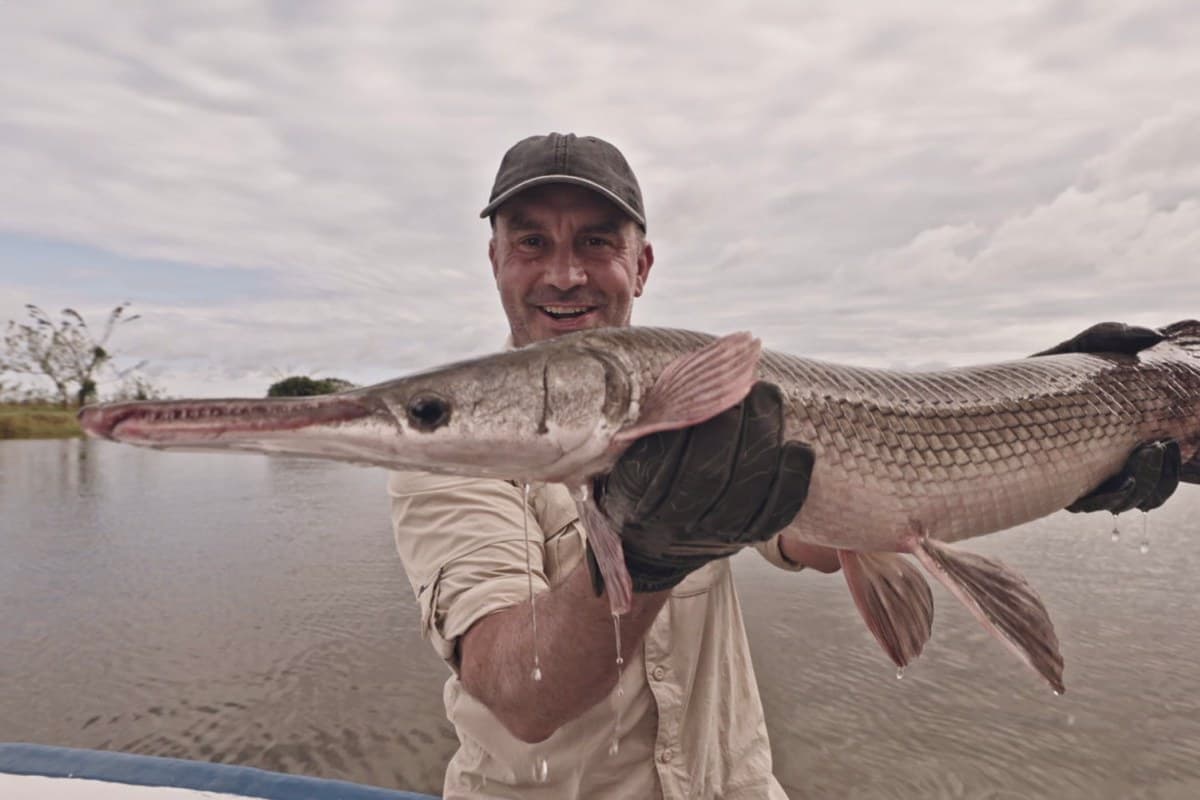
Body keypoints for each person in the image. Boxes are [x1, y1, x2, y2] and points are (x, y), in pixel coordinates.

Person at [389, 133, 1182, 799]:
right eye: (532, 240)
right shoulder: (447, 456)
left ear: (642, 264)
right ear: (495, 258)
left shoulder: (706, 402)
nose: (564, 272)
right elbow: (521, 695)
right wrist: (642, 558)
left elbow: (806, 536)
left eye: (596, 240)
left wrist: (1074, 428)